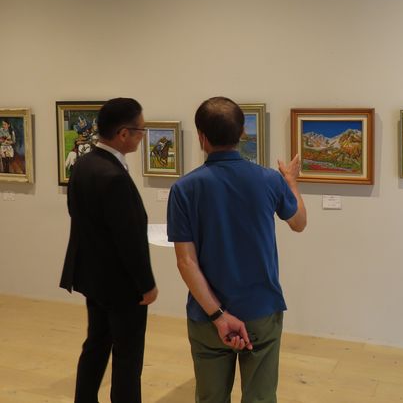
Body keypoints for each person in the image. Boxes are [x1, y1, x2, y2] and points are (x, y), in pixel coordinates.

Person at [167, 96, 307, 403]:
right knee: (260, 398)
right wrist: (292, 183)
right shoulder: (269, 180)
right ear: (242, 133)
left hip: (208, 315)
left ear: (201, 137)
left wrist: (219, 316)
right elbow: (298, 222)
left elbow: (186, 262)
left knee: (210, 398)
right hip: (261, 309)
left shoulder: (184, 189)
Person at [60, 98, 158, 403]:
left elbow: (79, 217)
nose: (142, 137)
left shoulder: (84, 164)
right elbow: (128, 240)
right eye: (140, 131)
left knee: (96, 344)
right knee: (128, 356)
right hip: (121, 284)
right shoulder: (113, 176)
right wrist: (147, 284)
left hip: (94, 278)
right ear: (123, 133)